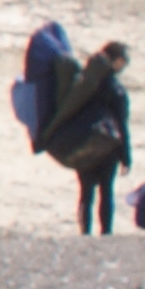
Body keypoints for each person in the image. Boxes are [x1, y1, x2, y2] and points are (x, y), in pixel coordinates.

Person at [44, 38, 132, 235]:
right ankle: (106, 233)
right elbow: (121, 124)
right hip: (108, 147)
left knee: (86, 192)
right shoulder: (115, 88)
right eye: (123, 60)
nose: (124, 65)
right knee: (106, 191)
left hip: (82, 142)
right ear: (115, 60)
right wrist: (126, 156)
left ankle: (85, 232)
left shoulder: (83, 83)